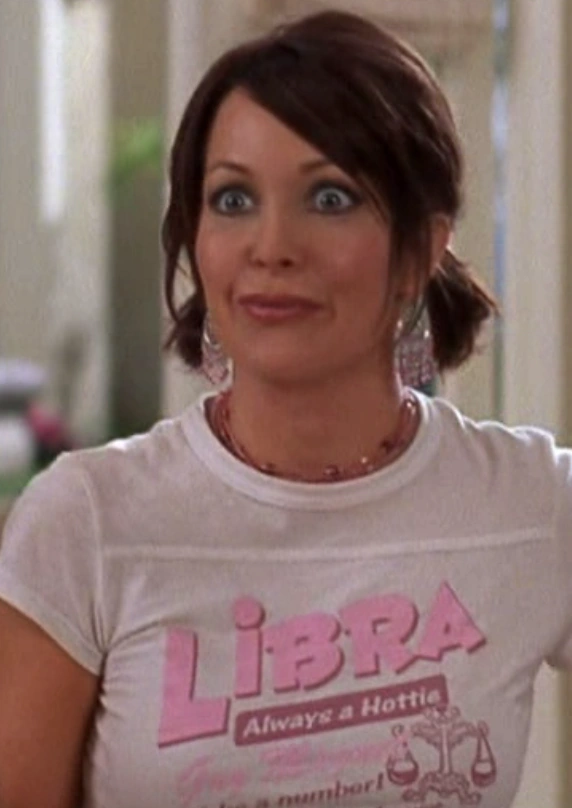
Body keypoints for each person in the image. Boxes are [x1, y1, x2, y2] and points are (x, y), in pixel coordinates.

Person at [0, 9, 570, 808]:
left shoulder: (531, 502)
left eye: (330, 197)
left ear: (421, 248)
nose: (272, 246)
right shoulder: (87, 520)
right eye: (233, 199)